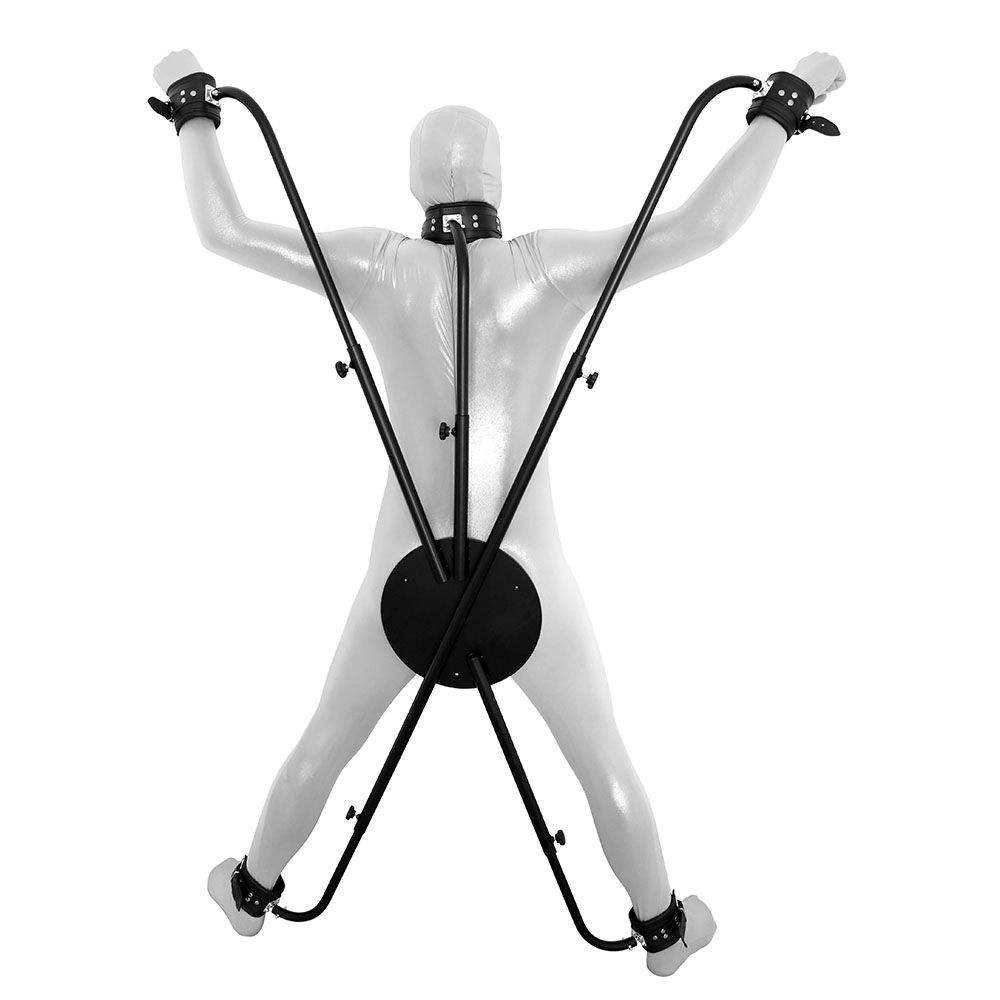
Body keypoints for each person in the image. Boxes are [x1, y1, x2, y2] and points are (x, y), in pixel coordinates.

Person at [151, 48, 845, 976]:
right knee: (601, 756)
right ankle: (664, 931)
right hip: (528, 585)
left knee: (326, 739)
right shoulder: (547, 265)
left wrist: (193, 107)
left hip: (406, 584)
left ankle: (249, 894)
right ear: (498, 177)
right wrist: (783, 107)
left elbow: (225, 230)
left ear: (414, 180)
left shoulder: (374, 263)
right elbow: (701, 226)